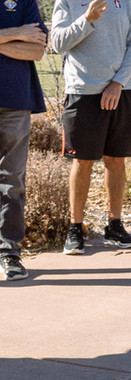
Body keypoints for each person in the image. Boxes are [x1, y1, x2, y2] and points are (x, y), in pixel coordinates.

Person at [51, 0, 131, 255]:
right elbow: (57, 43)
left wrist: (118, 82)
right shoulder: (67, 1)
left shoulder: (127, 2)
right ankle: (75, 229)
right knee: (82, 162)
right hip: (83, 91)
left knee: (116, 160)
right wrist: (87, 19)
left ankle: (115, 227)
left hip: (121, 90)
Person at [0, 0, 47, 280]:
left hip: (16, 102)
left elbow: (37, 50)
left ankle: (9, 253)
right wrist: (17, 32)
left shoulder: (25, 0)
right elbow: (26, 40)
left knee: (12, 181)